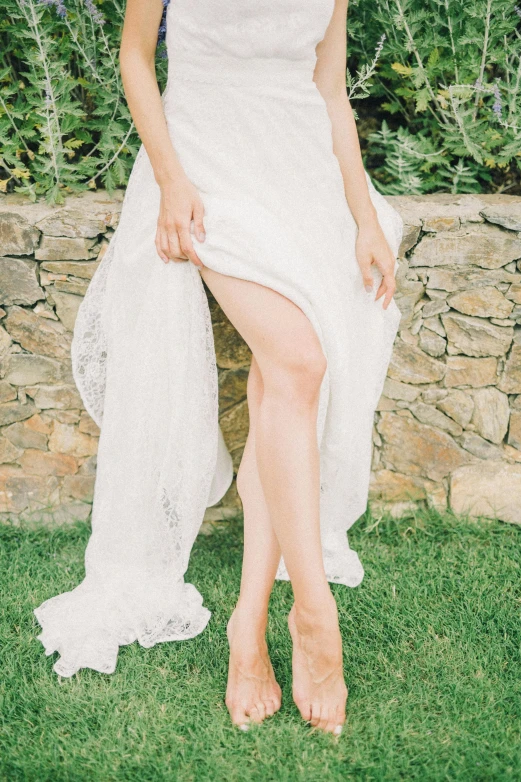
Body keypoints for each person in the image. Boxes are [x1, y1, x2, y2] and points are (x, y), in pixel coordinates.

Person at [34, 0, 403, 736]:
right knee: (298, 361)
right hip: (205, 168)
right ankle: (312, 614)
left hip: (300, 171)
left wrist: (362, 215)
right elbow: (136, 57)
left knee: (284, 379)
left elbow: (329, 88)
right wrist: (172, 181)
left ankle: (249, 622)